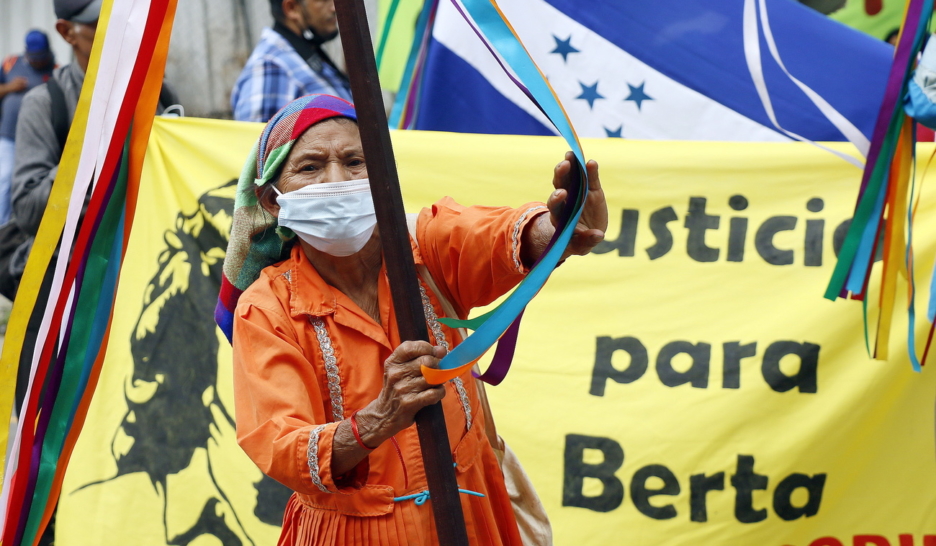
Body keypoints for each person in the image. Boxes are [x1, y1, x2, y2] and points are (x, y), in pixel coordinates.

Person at [217, 94, 607, 545]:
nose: (337, 181)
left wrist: (559, 230)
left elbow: (496, 236)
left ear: (383, 176)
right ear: (272, 200)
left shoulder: (424, 245)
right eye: (310, 167)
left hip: (471, 517)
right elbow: (279, 444)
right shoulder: (267, 307)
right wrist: (377, 419)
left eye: (355, 162)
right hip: (351, 534)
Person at [230, 0, 352, 123]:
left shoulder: (302, 52)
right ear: (292, 8)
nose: (334, 8)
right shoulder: (270, 66)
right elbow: (259, 134)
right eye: (322, 0)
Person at [0, 30, 55, 225]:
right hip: (8, 136)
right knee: (5, 179)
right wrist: (9, 88)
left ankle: (24, 226)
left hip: (37, 139)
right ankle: (3, 227)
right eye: (33, 57)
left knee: (34, 184)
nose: (37, 62)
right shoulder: (11, 63)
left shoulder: (55, 70)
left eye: (40, 57)